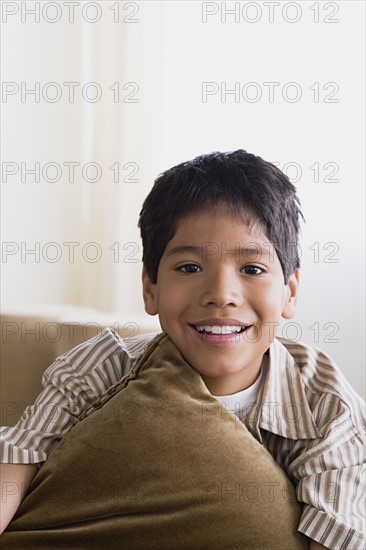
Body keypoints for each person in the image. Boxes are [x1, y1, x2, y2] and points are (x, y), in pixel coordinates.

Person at [1, 150, 365, 549]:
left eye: (252, 269)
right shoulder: (102, 367)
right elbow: (18, 455)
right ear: (150, 288)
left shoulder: (324, 404)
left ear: (289, 292)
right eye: (190, 267)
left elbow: (339, 529)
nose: (221, 295)